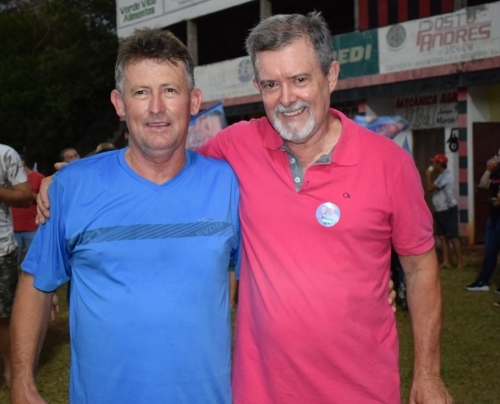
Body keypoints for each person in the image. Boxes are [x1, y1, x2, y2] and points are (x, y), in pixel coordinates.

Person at [36, 13, 450, 404]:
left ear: (331, 75)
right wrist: (72, 180)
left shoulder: (390, 164)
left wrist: (428, 374)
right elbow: (161, 156)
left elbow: (419, 267)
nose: (286, 99)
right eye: (270, 84)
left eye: (300, 79)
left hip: (361, 390)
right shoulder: (236, 148)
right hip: (260, 392)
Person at [11, 29, 240, 404]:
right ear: (119, 103)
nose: (156, 107)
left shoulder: (228, 185)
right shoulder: (71, 188)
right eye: (141, 92)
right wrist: (21, 384)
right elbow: (36, 282)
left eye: (170, 90)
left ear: (194, 100)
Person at [0, 144, 32, 388]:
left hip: (1, 249)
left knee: (3, 316)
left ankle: (11, 371)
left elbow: (25, 196)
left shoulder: (4, 154)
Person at [466, 151, 500, 294]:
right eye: (497, 155)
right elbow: (483, 185)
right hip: (493, 216)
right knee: (490, 250)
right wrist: (488, 170)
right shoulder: (496, 173)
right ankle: (483, 281)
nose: (497, 158)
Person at [426, 153, 464, 270]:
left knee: (453, 237)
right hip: (440, 209)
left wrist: (428, 176)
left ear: (439, 164)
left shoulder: (447, 176)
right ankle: (446, 261)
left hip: (448, 209)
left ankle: (460, 262)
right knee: (442, 237)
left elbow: (431, 188)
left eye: (435, 163)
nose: (433, 165)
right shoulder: (441, 176)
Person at [11, 155, 45, 264]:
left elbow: (45, 200)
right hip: (12, 228)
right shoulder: (9, 179)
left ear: (22, 161)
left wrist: (28, 193)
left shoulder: (38, 177)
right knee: (11, 263)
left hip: (33, 227)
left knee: (35, 262)